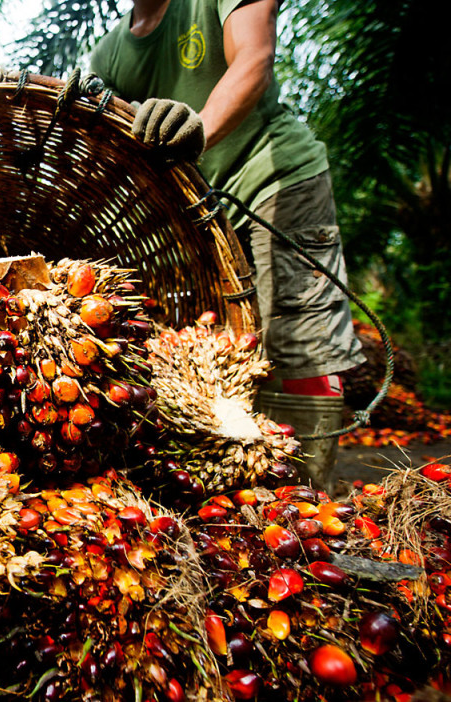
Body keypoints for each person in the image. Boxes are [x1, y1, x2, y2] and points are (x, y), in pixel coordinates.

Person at [89, 0, 365, 491]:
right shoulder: (110, 53)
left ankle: (304, 502)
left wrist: (200, 128)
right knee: (219, 356)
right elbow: (102, 140)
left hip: (274, 182)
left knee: (297, 341)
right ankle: (252, 490)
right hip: (202, 215)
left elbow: (253, 58)